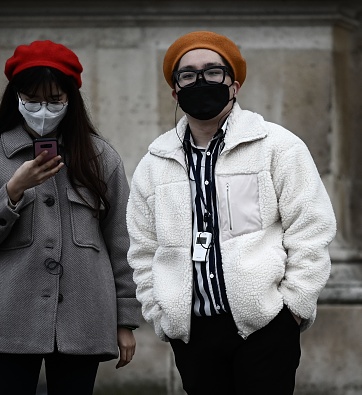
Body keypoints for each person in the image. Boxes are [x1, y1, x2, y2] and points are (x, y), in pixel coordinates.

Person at [126, 31, 337, 395]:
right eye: (188, 74)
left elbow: (311, 227)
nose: (201, 80)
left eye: (213, 71)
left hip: (266, 327)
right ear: (175, 91)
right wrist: (162, 315)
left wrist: (294, 308)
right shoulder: (154, 164)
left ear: (234, 84)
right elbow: (143, 246)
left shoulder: (277, 147)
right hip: (193, 335)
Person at [0, 40, 142, 395]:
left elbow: (121, 241)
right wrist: (13, 191)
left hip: (83, 317)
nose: (43, 109)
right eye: (32, 100)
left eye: (54, 100)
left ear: (70, 99)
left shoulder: (99, 157)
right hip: (8, 316)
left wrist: (125, 320)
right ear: (16, 98)